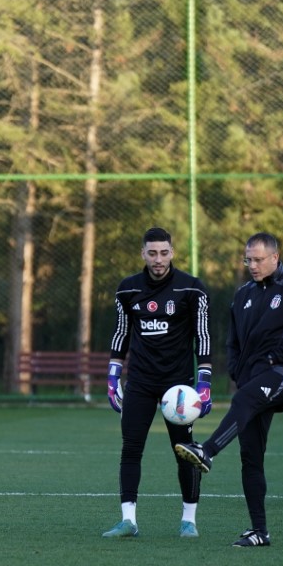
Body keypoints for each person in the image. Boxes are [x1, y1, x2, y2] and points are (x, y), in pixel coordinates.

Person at [175, 232, 283, 547]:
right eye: (248, 259)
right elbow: (233, 341)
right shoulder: (242, 294)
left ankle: (207, 451)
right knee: (250, 456)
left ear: (275, 258)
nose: (252, 265)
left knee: (244, 399)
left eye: (257, 260)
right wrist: (238, 368)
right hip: (253, 381)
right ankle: (259, 531)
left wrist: (276, 355)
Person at [102, 227, 213, 539]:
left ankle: (189, 521)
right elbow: (120, 333)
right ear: (143, 254)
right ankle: (128, 521)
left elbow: (202, 336)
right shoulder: (128, 290)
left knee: (185, 451)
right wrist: (113, 376)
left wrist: (204, 382)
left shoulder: (192, 289)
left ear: (172, 252)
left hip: (179, 388)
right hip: (139, 381)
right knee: (131, 447)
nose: (158, 259)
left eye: (164, 252)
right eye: (152, 253)